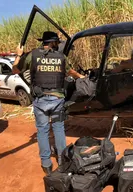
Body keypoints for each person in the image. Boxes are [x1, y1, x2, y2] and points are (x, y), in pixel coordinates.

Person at [12, 31, 85, 176]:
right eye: (56, 42)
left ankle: (46, 164)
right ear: (52, 43)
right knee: (58, 129)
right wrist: (81, 76)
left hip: (40, 100)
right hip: (57, 100)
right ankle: (62, 160)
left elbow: (15, 69)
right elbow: (70, 71)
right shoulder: (60, 57)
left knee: (43, 131)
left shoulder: (33, 55)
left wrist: (19, 54)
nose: (58, 44)